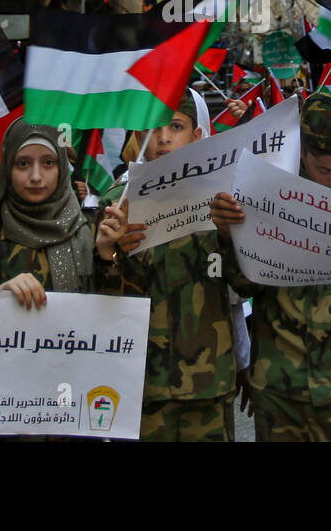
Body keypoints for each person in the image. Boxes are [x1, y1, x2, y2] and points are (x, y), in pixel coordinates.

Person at [210, 91, 331, 441]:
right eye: (324, 169)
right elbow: (245, 285)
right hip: (281, 382)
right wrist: (227, 235)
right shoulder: (264, 188)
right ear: (301, 151)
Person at [94, 89, 242, 441]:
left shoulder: (224, 199)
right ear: (139, 137)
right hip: (141, 387)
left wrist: (227, 237)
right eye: (153, 127)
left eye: (175, 126)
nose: (163, 138)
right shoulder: (117, 204)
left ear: (196, 136)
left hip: (209, 383)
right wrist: (108, 255)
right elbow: (105, 301)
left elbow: (248, 287)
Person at [0, 120, 99, 297]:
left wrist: (109, 257)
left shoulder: (92, 231)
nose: (35, 176)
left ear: (62, 168)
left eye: (48, 163)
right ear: (8, 169)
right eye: (23, 164)